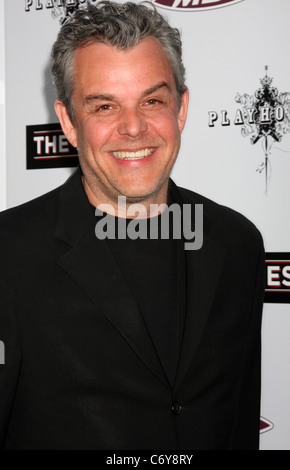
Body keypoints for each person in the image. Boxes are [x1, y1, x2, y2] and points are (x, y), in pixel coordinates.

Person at [0, 1, 265, 450]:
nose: (134, 127)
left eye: (152, 101)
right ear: (68, 122)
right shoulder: (8, 253)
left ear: (181, 109)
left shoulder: (237, 242)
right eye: (104, 106)